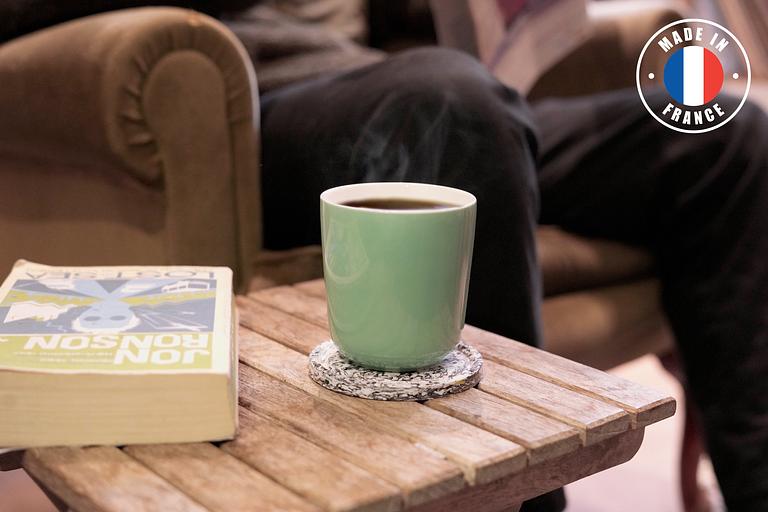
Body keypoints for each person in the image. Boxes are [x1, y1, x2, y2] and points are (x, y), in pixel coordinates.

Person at [256, 42, 768, 512]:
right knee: (453, 98)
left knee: (724, 131)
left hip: (451, 90)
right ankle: (530, 502)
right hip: (273, 105)